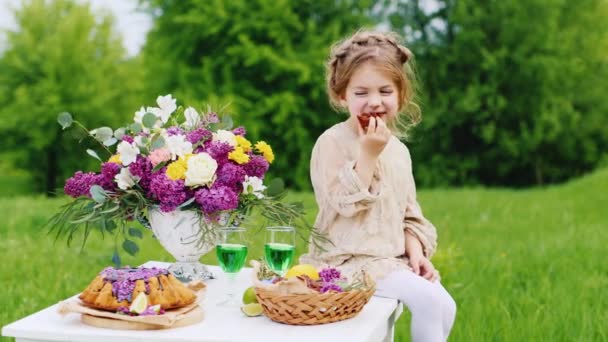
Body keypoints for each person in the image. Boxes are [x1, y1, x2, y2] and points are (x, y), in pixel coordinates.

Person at [299, 30, 456, 341]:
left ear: (401, 95)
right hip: (346, 262)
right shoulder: (332, 142)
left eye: (385, 91)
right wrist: (367, 154)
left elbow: (409, 214)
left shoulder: (399, 151)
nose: (374, 101)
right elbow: (343, 204)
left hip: (392, 262)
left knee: (446, 305)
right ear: (342, 96)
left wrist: (416, 254)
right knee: (429, 300)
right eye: (361, 93)